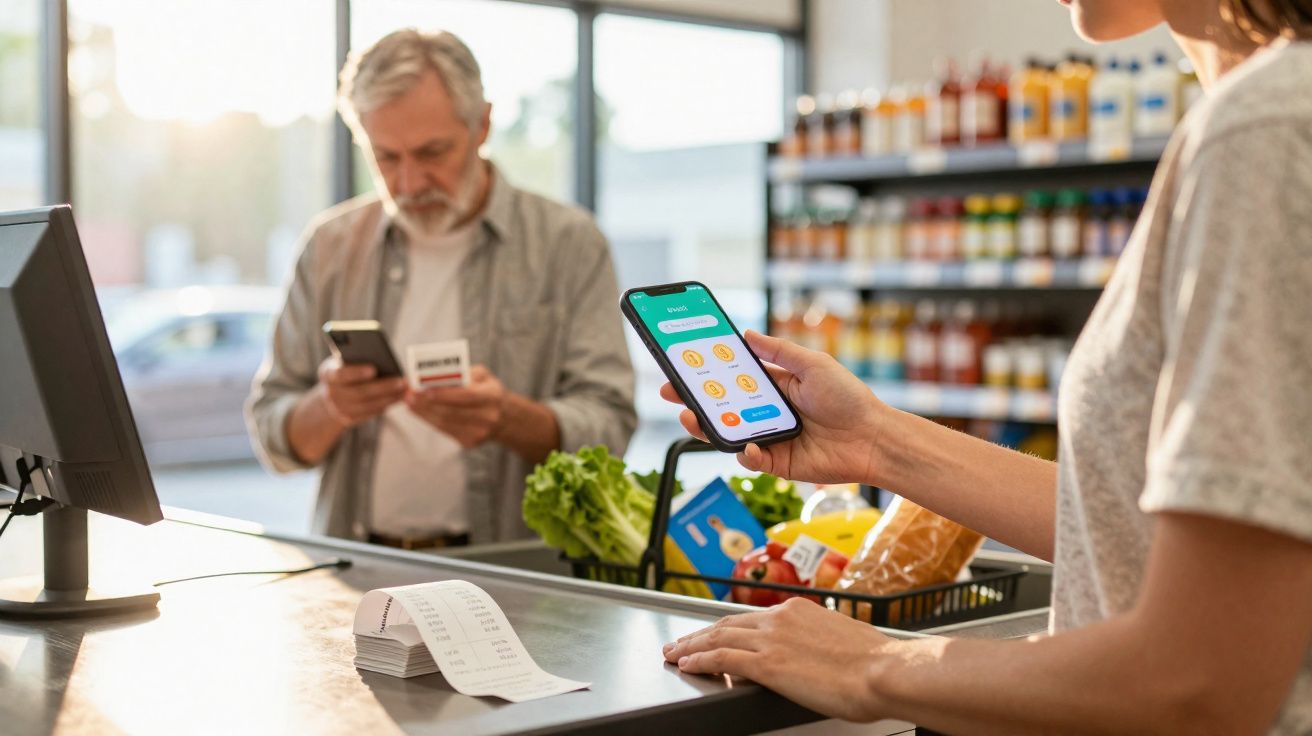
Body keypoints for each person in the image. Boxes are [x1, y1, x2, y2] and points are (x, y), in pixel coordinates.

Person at [661, 1, 1312, 732]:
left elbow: (1198, 681)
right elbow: (1142, 536)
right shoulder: (1262, 115)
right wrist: (876, 441)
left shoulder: (1265, 128)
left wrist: (870, 665)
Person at [246, 29, 636, 548]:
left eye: (432, 152)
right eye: (385, 157)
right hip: (356, 566)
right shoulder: (329, 246)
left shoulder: (569, 244)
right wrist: (331, 405)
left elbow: (609, 428)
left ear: (482, 125)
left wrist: (507, 418)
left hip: (513, 573)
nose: (409, 183)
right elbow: (273, 436)